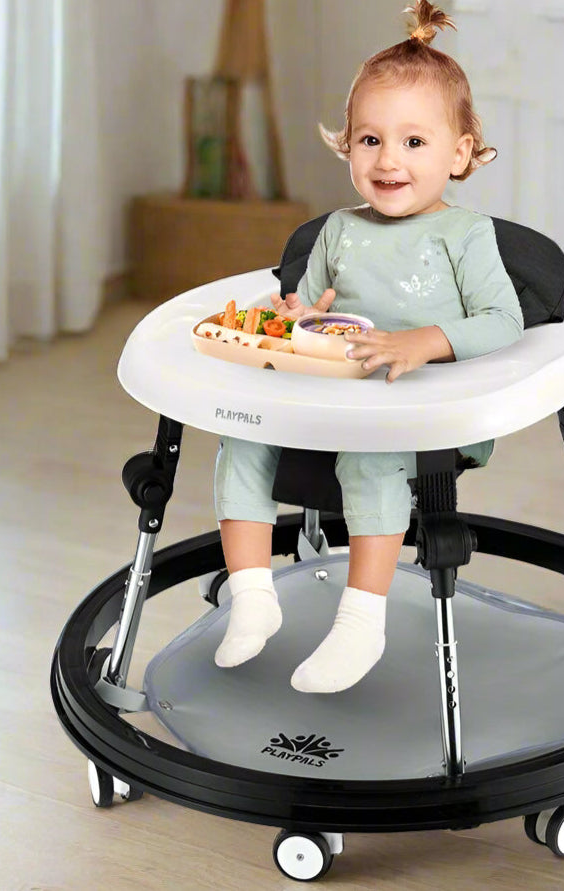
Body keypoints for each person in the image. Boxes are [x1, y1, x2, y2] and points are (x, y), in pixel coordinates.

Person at [212, 0, 524, 693]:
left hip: (415, 420)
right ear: (346, 145)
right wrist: (291, 315)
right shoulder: (335, 231)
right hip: (326, 406)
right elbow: (309, 311)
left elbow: (503, 319)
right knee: (240, 439)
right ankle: (253, 597)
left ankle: (361, 620)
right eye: (369, 140)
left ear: (460, 151)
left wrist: (426, 340)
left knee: (370, 455)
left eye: (414, 142)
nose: (388, 161)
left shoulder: (465, 235)